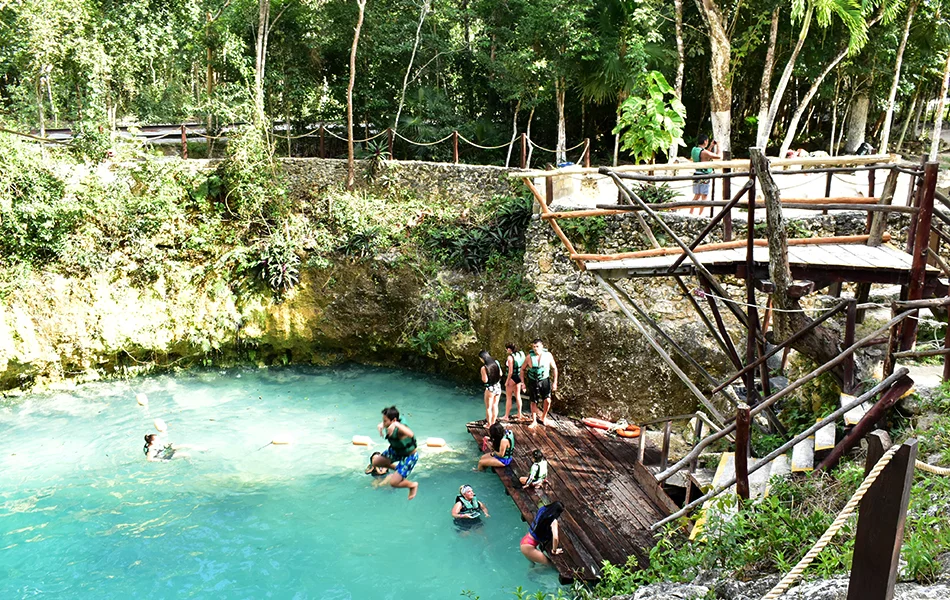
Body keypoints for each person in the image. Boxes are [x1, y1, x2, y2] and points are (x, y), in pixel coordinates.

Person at [371, 406, 420, 499]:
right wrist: (382, 424)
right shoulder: (391, 422)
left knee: (394, 483)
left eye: (385, 421)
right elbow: (394, 416)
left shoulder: (400, 429)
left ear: (394, 421)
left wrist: (397, 425)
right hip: (396, 451)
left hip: (409, 456)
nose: (384, 423)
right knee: (376, 462)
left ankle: (412, 485)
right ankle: (398, 469)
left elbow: (411, 434)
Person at [520, 338, 558, 429]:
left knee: (548, 400)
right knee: (533, 401)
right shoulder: (529, 357)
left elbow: (554, 368)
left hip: (545, 380)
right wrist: (523, 383)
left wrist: (555, 382)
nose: (535, 348)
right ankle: (534, 421)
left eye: (537, 346)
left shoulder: (548, 355)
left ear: (542, 346)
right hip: (533, 381)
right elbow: (522, 369)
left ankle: (543, 417)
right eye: (534, 347)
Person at [520, 501, 565, 566]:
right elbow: (555, 538)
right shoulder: (553, 521)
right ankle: (532, 573)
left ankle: (532, 566)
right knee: (551, 566)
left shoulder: (542, 509)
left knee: (532, 564)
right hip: (528, 547)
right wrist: (554, 551)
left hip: (526, 540)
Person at [689, 135, 721, 214]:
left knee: (697, 195)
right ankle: (700, 214)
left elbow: (705, 155)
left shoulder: (694, 150)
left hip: (697, 174)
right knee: (704, 196)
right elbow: (718, 156)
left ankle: (691, 212)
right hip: (704, 175)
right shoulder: (704, 152)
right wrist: (719, 145)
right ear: (705, 141)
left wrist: (711, 146)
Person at [502, 342, 526, 422]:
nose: (506, 350)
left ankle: (506, 416)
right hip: (519, 377)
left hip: (513, 377)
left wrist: (507, 381)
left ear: (509, 349)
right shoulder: (521, 354)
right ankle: (519, 413)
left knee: (509, 397)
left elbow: (510, 372)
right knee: (518, 395)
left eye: (507, 349)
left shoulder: (510, 358)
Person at [479, 350, 502, 427]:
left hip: (490, 388)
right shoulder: (496, 362)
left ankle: (489, 424)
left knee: (488, 408)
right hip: (498, 386)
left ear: (482, 358)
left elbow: (485, 380)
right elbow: (501, 373)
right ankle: (493, 422)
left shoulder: (484, 368)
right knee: (495, 405)